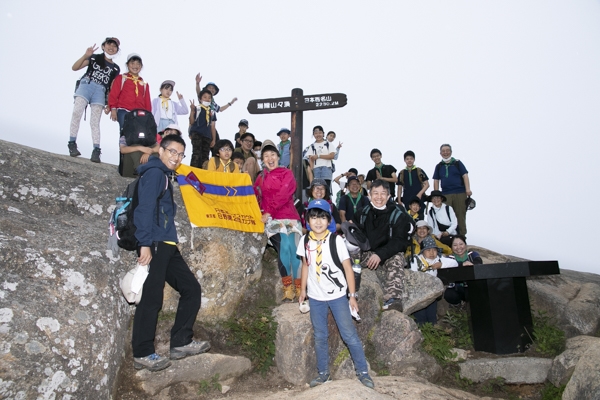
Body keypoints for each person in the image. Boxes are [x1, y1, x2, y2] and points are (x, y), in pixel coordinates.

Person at [132, 134, 210, 372]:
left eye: (180, 154)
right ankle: (143, 353)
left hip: (166, 243)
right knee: (151, 298)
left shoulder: (165, 175)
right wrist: (144, 244)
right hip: (154, 243)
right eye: (172, 152)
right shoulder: (155, 173)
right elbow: (144, 209)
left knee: (191, 288)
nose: (176, 157)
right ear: (161, 151)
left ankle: (181, 342)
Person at [297, 200, 374, 390]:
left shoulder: (336, 240)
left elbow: (348, 269)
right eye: (313, 217)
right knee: (320, 336)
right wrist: (302, 290)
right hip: (315, 297)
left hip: (338, 295)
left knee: (349, 335)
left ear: (329, 219)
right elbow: (306, 265)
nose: (318, 221)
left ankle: (363, 373)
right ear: (307, 220)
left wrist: (352, 295)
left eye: (322, 217)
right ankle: (323, 373)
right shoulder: (305, 240)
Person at [353, 180, 413, 311]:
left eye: (383, 193)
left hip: (387, 253)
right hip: (367, 252)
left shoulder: (398, 215)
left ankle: (393, 299)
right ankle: (348, 292)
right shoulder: (361, 214)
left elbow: (400, 241)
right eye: (375, 193)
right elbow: (357, 237)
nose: (379, 197)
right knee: (348, 254)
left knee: (398, 258)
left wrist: (380, 255)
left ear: (389, 196)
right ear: (369, 195)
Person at [254, 140, 302, 301]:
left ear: (278, 156)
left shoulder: (286, 173)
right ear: (262, 160)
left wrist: (269, 211)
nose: (270, 158)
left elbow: (284, 193)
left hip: (289, 217)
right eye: (266, 155)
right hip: (272, 220)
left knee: (295, 250)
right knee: (285, 248)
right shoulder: (260, 177)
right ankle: (287, 287)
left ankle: (300, 286)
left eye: (272, 154)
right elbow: (252, 196)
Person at [68, 37, 121, 163]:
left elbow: (112, 87)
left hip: (101, 92)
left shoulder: (115, 68)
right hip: (87, 84)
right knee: (77, 113)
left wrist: (110, 104)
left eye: (115, 46)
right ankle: (72, 143)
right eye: (109, 44)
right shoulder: (94, 58)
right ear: (103, 46)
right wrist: (85, 55)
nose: (111, 47)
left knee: (95, 121)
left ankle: (96, 150)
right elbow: (74, 67)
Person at [409, 236, 458, 325]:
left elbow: (455, 263)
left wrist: (441, 265)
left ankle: (432, 329)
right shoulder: (415, 259)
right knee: (420, 316)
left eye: (434, 250)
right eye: (428, 250)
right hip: (418, 293)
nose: (432, 253)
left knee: (432, 316)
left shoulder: (438, 259)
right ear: (423, 251)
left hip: (432, 293)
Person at [432, 144, 472, 238]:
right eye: (443, 151)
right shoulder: (439, 166)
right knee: (446, 216)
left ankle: (462, 236)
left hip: (460, 192)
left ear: (451, 152)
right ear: (440, 153)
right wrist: (436, 194)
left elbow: (465, 176)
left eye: (447, 150)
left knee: (460, 215)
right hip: (446, 194)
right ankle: (449, 236)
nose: (445, 152)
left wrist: (467, 189)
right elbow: (436, 180)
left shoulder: (457, 163)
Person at [108, 53, 152, 135]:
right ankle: (123, 148)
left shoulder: (144, 84)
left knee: (139, 134)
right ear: (127, 65)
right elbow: (113, 94)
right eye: (132, 63)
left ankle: (135, 148)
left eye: (138, 64)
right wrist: (113, 109)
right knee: (125, 131)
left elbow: (147, 102)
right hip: (124, 110)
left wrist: (148, 116)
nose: (135, 66)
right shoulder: (121, 78)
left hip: (139, 113)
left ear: (141, 66)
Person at [444, 235, 482, 305]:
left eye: (461, 244)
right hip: (456, 287)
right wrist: (462, 265)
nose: (458, 247)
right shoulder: (449, 258)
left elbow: (479, 262)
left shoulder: (472, 254)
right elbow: (448, 269)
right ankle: (458, 304)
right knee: (449, 295)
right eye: (455, 245)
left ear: (465, 244)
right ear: (451, 247)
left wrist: (470, 264)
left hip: (471, 286)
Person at [188, 89, 216, 168]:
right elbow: (191, 122)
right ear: (200, 99)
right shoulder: (197, 108)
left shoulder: (212, 112)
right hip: (197, 133)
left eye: (209, 98)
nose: (207, 99)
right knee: (196, 152)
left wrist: (213, 139)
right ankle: (193, 171)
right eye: (205, 97)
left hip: (207, 136)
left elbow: (213, 126)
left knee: (205, 155)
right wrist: (192, 110)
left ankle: (203, 173)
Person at [397, 150, 429, 219]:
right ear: (404, 160)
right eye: (407, 159)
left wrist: (420, 193)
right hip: (407, 199)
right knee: (407, 219)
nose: (409, 161)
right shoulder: (402, 173)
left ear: (414, 159)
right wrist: (399, 200)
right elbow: (399, 187)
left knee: (420, 219)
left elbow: (427, 184)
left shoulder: (419, 171)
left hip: (419, 199)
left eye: (411, 159)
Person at [306, 125, 337, 191]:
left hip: (326, 168)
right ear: (313, 135)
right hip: (316, 169)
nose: (318, 135)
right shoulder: (312, 146)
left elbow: (332, 156)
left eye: (320, 133)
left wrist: (318, 156)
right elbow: (310, 159)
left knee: (326, 189)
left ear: (323, 134)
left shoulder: (328, 144)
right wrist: (310, 173)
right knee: (316, 189)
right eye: (316, 133)